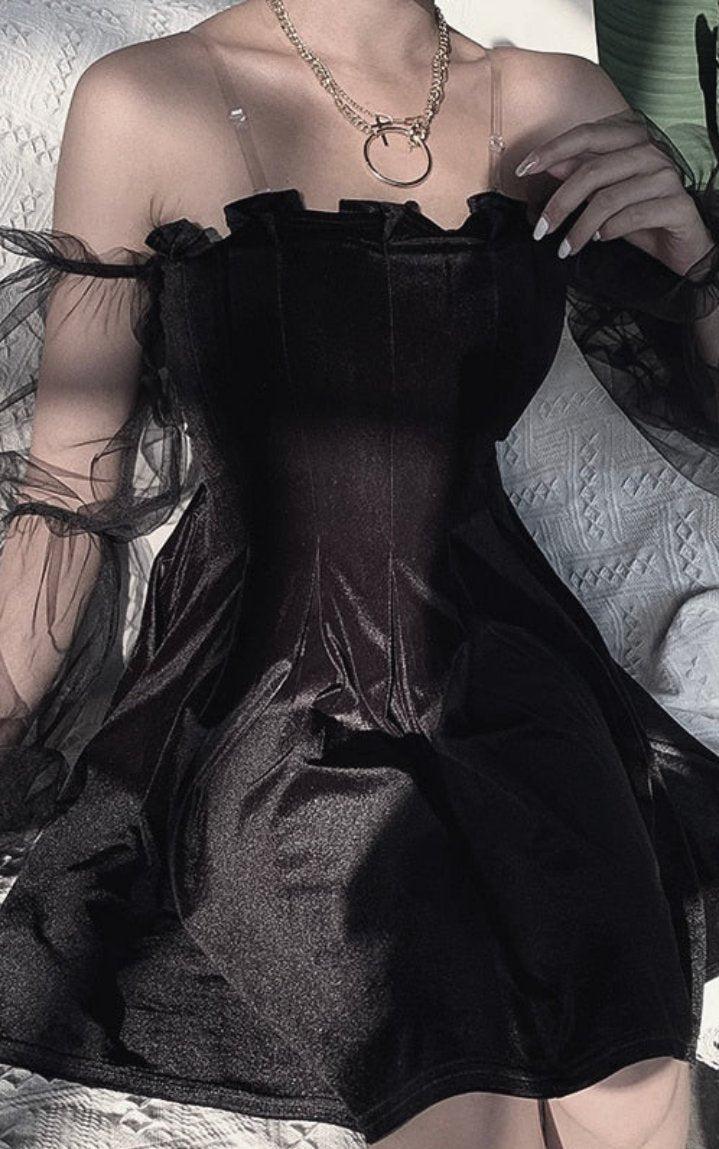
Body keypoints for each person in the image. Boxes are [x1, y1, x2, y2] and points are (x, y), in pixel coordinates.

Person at [0, 1, 718, 1146]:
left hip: (517, 679)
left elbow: (689, 401)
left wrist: (702, 274)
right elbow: (67, 488)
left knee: (632, 1093)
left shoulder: (552, 100)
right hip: (263, 698)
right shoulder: (143, 97)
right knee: (457, 1095)